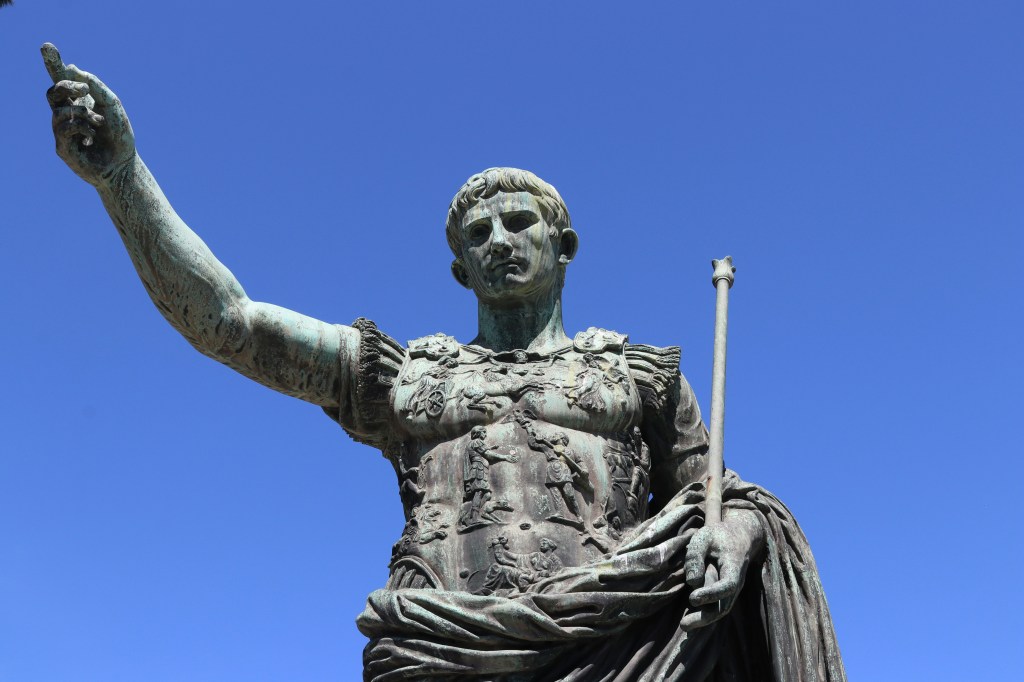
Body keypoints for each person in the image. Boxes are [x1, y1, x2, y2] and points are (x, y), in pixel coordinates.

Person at [44, 47, 845, 682]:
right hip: (440, 651)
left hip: (620, 652)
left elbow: (722, 499)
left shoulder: (640, 375)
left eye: (518, 223)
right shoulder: (404, 375)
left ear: (563, 247)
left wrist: (738, 537)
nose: (499, 240)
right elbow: (230, 324)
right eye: (478, 234)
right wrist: (122, 179)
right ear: (461, 270)